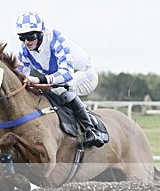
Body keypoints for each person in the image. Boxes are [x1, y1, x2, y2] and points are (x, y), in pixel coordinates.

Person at [14, 11, 105, 148]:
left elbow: (66, 74)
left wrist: (38, 80)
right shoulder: (25, 50)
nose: (27, 42)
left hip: (85, 75)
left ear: (40, 33)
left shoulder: (56, 39)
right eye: (22, 38)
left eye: (30, 36)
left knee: (62, 87)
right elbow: (20, 76)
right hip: (58, 79)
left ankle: (90, 129)